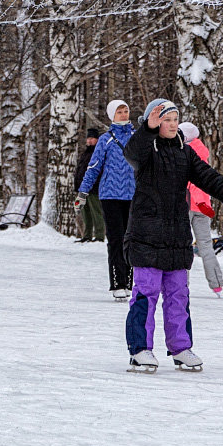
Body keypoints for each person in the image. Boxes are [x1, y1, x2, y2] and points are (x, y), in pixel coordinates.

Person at [123, 99, 223, 373]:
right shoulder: (147, 149)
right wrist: (147, 130)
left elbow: (210, 179)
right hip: (146, 234)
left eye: (175, 119)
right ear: (154, 121)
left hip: (176, 236)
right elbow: (133, 153)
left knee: (178, 295)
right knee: (145, 294)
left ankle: (181, 348)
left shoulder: (184, 151)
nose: (172, 124)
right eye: (165, 119)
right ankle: (140, 350)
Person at [76, 100, 135, 301]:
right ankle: (118, 283)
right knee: (116, 238)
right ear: (112, 115)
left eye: (126, 111)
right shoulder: (106, 139)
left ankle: (129, 281)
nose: (124, 114)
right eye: (120, 111)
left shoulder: (136, 137)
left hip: (133, 195)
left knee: (131, 239)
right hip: (110, 195)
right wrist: (83, 192)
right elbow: (94, 167)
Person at [179, 122, 223, 295]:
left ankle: (182, 283)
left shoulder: (185, 152)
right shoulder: (203, 152)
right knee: (206, 245)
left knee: (183, 244)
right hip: (203, 204)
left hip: (187, 203)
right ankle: (216, 282)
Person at [74, 129, 105, 243]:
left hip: (94, 188)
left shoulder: (98, 152)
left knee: (96, 212)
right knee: (84, 211)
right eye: (88, 138)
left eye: (92, 138)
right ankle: (86, 235)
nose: (90, 140)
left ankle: (99, 235)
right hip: (82, 187)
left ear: (97, 140)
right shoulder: (86, 152)